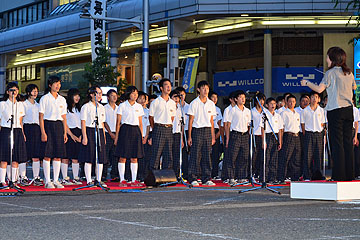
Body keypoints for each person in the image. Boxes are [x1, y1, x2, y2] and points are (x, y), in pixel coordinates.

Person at [301, 47, 356, 181]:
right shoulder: (349, 73)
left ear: (333, 59)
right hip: (349, 110)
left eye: (327, 57)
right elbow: (354, 87)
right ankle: (350, 174)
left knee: (337, 143)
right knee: (347, 143)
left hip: (335, 111)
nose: (326, 59)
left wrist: (307, 83)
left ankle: (339, 175)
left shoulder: (330, 73)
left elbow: (319, 89)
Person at [39, 76, 68, 189]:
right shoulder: (45, 99)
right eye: (55, 83)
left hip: (59, 126)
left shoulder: (62, 99)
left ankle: (56, 179)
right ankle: (47, 180)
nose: (58, 85)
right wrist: (43, 132)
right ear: (50, 85)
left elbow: (64, 117)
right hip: (48, 125)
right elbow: (41, 116)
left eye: (59, 83)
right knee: (47, 154)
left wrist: (65, 133)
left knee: (58, 155)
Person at [187, 81, 217, 186]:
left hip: (207, 130)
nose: (205, 91)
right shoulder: (194, 103)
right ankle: (193, 177)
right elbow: (190, 120)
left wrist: (213, 136)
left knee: (207, 155)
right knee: (195, 155)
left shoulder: (211, 104)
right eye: (203, 88)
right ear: (199, 90)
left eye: (207, 89)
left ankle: (206, 177)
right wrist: (189, 136)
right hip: (197, 130)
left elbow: (212, 121)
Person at [115, 86, 144, 187]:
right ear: (128, 94)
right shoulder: (122, 106)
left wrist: (141, 136)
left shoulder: (139, 107)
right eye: (133, 93)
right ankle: (122, 180)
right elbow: (118, 122)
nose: (135, 95)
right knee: (123, 156)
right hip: (125, 130)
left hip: (136, 131)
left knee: (134, 157)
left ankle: (133, 180)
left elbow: (140, 123)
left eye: (136, 93)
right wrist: (116, 137)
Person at [78, 86, 107, 187]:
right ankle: (89, 180)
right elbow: (83, 122)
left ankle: (98, 179)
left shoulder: (102, 107)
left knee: (100, 157)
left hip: (99, 131)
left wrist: (103, 136)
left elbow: (102, 123)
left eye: (100, 93)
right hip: (89, 130)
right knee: (89, 157)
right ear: (91, 94)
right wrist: (84, 136)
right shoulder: (86, 107)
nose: (99, 95)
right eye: (98, 93)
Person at [0, 83, 27, 188]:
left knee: (16, 157)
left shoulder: (20, 104)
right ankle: (2, 181)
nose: (14, 92)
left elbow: (20, 121)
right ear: (7, 92)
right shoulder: (2, 104)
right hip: (6, 130)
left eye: (16, 90)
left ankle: (14, 180)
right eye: (11, 90)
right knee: (4, 157)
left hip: (17, 130)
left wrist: (23, 134)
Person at [148, 79, 176, 170]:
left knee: (168, 154)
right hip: (158, 128)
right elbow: (151, 117)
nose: (168, 87)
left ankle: (166, 177)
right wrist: (155, 128)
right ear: (161, 88)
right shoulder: (156, 102)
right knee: (156, 153)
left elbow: (172, 117)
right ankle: (154, 177)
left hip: (169, 129)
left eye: (170, 85)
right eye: (166, 85)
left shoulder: (172, 103)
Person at [225, 90, 251, 183]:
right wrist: (227, 138)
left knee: (244, 157)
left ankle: (241, 177)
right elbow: (228, 125)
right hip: (235, 134)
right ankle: (231, 177)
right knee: (232, 157)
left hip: (244, 135)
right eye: (240, 97)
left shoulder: (248, 111)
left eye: (244, 97)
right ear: (236, 99)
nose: (243, 99)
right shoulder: (232, 110)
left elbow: (249, 125)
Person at [300, 91, 326, 180]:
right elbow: (302, 124)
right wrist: (306, 134)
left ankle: (318, 175)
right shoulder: (305, 111)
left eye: (316, 97)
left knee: (318, 155)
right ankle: (307, 175)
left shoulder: (322, 111)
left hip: (318, 134)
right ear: (309, 99)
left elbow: (323, 124)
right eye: (312, 97)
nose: (314, 99)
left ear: (318, 99)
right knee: (307, 156)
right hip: (308, 134)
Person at [278, 94, 301, 184]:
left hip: (297, 136)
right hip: (288, 135)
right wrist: (281, 140)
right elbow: (281, 128)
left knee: (296, 158)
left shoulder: (297, 114)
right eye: (290, 101)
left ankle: (295, 177)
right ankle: (281, 177)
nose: (292, 103)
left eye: (293, 102)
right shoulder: (283, 113)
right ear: (287, 102)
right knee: (285, 157)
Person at [22, 84, 43, 186]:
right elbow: (21, 120)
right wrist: (22, 133)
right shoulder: (23, 104)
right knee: (24, 155)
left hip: (36, 129)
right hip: (27, 128)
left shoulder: (39, 105)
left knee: (36, 155)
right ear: (28, 92)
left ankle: (36, 177)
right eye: (33, 91)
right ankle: (23, 177)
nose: (35, 93)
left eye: (36, 91)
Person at [61, 88, 82, 185]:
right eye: (75, 95)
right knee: (65, 156)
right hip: (69, 132)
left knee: (76, 157)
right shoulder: (65, 108)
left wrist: (81, 135)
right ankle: (65, 178)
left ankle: (76, 177)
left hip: (79, 133)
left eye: (78, 95)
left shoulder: (80, 108)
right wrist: (72, 135)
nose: (77, 97)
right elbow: (64, 122)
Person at [261, 97, 283, 183]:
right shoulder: (264, 115)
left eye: (274, 103)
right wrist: (263, 141)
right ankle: (264, 178)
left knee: (274, 158)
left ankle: (272, 178)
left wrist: (280, 142)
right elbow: (262, 128)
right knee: (266, 158)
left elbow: (280, 129)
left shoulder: (278, 116)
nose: (273, 105)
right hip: (268, 136)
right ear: (267, 105)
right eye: (271, 104)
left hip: (275, 136)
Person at [104, 89, 118, 182]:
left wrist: (116, 134)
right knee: (105, 155)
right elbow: (104, 121)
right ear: (108, 97)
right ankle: (103, 175)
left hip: (117, 133)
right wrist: (110, 133)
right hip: (107, 133)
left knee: (116, 155)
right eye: (112, 95)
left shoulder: (119, 108)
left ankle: (115, 175)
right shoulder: (104, 108)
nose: (114, 97)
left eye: (115, 95)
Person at [221, 91, 236, 182]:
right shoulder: (228, 109)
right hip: (230, 134)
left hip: (237, 135)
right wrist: (227, 138)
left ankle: (235, 176)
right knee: (228, 156)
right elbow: (225, 124)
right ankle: (225, 176)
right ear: (231, 100)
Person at [251, 92, 266, 178]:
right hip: (254, 135)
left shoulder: (265, 112)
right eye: (260, 100)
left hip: (262, 136)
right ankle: (252, 173)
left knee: (261, 156)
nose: (261, 102)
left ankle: (259, 174)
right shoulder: (252, 111)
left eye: (263, 100)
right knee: (254, 156)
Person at [136, 91, 150, 182]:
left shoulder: (147, 111)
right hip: (135, 137)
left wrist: (146, 137)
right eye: (140, 98)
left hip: (145, 137)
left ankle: (144, 175)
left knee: (145, 157)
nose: (141, 100)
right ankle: (135, 175)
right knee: (135, 158)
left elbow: (148, 125)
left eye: (143, 99)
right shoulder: (134, 110)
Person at [209, 91, 223, 179]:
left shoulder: (218, 109)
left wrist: (218, 134)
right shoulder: (206, 107)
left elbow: (219, 123)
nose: (215, 99)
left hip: (216, 132)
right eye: (213, 97)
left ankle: (215, 174)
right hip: (207, 131)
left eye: (216, 98)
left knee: (215, 154)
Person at [170, 90, 183, 178]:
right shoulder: (168, 106)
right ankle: (169, 175)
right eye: (174, 97)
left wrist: (182, 139)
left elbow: (181, 124)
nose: (176, 99)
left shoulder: (179, 108)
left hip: (177, 134)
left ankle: (176, 175)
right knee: (169, 155)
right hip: (169, 133)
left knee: (176, 156)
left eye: (178, 97)